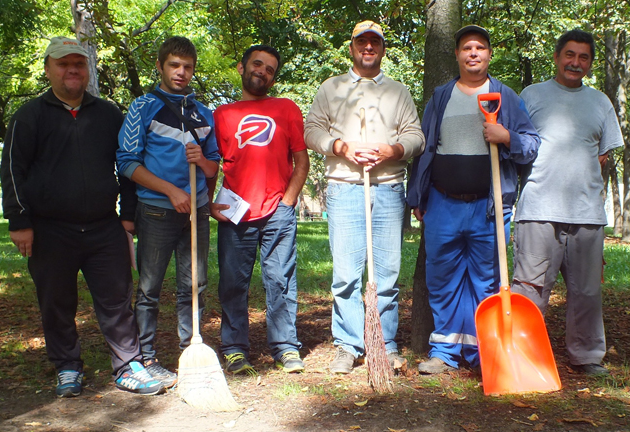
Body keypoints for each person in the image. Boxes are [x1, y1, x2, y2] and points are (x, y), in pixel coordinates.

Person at [0, 36, 164, 397]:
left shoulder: (108, 114)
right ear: (48, 69)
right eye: (63, 64)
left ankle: (127, 367)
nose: (72, 70)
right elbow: (12, 170)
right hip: (48, 229)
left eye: (79, 63)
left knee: (117, 300)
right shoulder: (29, 116)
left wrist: (128, 216)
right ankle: (68, 367)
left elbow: (127, 165)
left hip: (104, 226)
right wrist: (19, 221)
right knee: (56, 302)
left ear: (87, 69)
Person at [407, 25, 540, 374]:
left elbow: (531, 145)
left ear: (489, 55)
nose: (473, 53)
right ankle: (447, 352)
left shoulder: (505, 96)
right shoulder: (440, 96)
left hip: (489, 205)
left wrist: (506, 135)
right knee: (443, 279)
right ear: (457, 54)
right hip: (442, 204)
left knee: (487, 280)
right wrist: (418, 194)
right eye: (466, 47)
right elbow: (423, 148)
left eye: (480, 47)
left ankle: (487, 354)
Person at [305, 21, 425, 374]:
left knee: (386, 274)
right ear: (352, 46)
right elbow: (312, 131)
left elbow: (415, 136)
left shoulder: (398, 92)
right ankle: (348, 344)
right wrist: (340, 147)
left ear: (383, 49)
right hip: (344, 187)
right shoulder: (331, 88)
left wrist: (393, 149)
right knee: (346, 274)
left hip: (388, 189)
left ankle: (385, 344)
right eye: (362, 42)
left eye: (375, 42)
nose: (368, 47)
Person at [511, 29, 623, 377]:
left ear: (589, 62)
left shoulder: (601, 102)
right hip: (537, 209)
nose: (576, 62)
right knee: (530, 289)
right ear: (558, 57)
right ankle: (521, 356)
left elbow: (603, 155)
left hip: (587, 213)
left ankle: (587, 356)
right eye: (570, 55)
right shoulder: (530, 95)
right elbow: (516, 146)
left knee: (587, 291)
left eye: (584, 57)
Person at [116, 36, 220, 387]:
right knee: (149, 287)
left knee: (195, 284)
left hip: (198, 210)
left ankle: (191, 349)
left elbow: (212, 168)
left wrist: (202, 161)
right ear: (160, 66)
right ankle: (145, 357)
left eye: (188, 67)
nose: (181, 72)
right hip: (158, 210)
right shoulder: (142, 107)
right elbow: (128, 163)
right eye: (174, 65)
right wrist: (171, 190)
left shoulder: (203, 113)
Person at [211, 45, 309, 374]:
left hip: (277, 211)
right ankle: (235, 348)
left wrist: (289, 200)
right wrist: (212, 204)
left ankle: (285, 347)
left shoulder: (286, 108)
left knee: (280, 281)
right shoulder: (222, 114)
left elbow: (301, 160)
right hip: (236, 213)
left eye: (270, 69)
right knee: (232, 284)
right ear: (241, 67)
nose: (263, 72)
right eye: (257, 64)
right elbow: (213, 164)